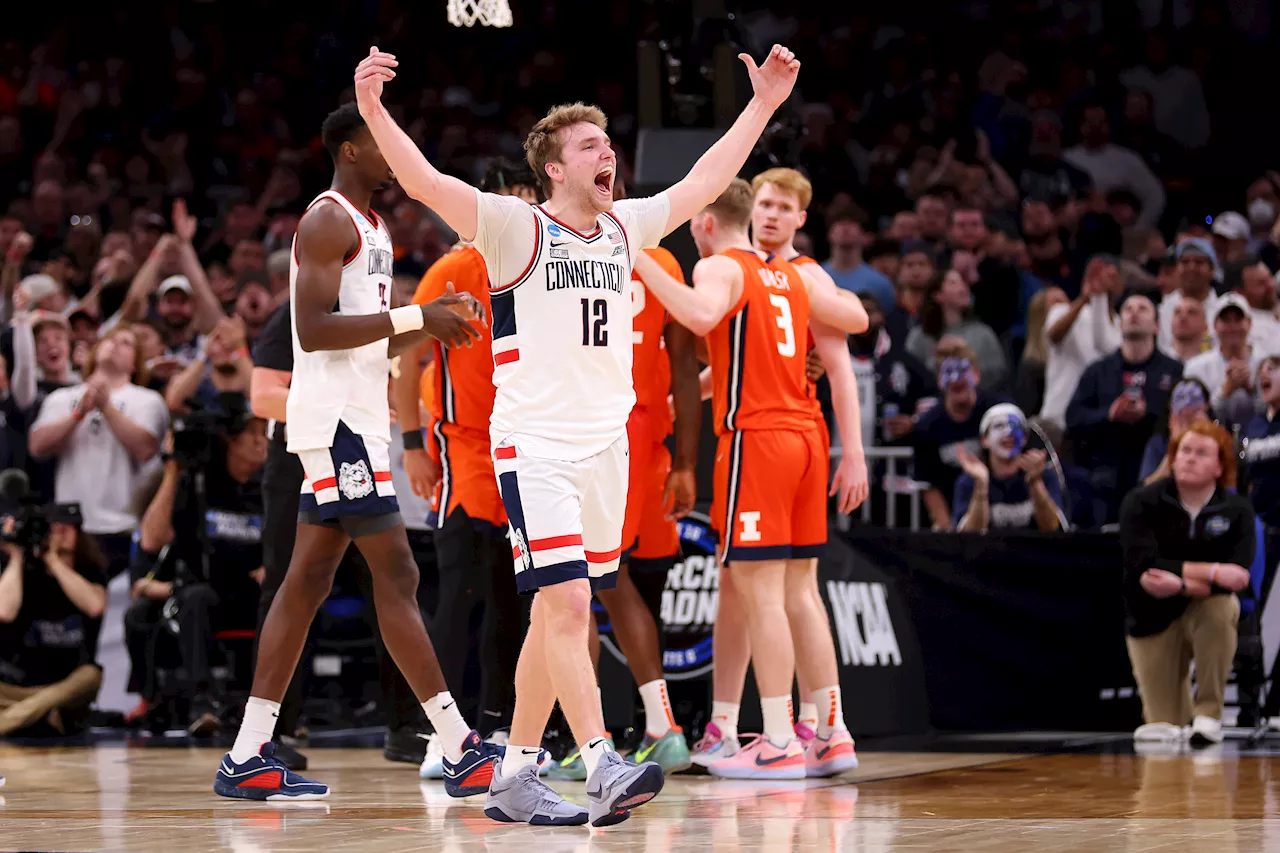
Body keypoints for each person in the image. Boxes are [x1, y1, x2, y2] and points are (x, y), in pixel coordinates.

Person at [355, 42, 800, 825]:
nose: (609, 153)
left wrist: (761, 105)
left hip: (611, 449)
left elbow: (702, 181)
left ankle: (514, 772)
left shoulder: (626, 226)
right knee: (564, 606)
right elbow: (424, 182)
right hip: (536, 447)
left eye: (609, 142)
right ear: (554, 168)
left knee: (557, 613)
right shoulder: (511, 228)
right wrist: (374, 112)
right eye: (590, 145)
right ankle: (600, 762)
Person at [213, 103, 492, 802]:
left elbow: (368, 335)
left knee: (304, 584)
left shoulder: (375, 228)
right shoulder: (328, 217)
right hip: (334, 423)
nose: (395, 152)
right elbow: (310, 330)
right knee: (396, 571)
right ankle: (457, 742)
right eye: (381, 140)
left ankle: (247, 752)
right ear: (347, 148)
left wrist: (432, 325)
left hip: (357, 421)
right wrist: (414, 315)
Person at [631, 179, 866, 780]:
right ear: (749, 213)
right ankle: (830, 731)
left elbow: (699, 312)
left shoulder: (720, 269)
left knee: (763, 595)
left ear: (707, 223)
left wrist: (632, 254)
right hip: (807, 438)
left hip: (757, 443)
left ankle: (781, 738)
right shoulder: (790, 277)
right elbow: (749, 358)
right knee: (796, 593)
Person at [550, 173, 703, 779]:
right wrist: (687, 460)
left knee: (580, 586)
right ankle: (658, 727)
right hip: (646, 435)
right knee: (610, 583)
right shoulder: (663, 258)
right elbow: (686, 371)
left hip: (592, 426)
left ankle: (596, 743)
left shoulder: (568, 246)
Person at [391, 160, 535, 776]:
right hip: (465, 448)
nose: (523, 208)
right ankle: (443, 737)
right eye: (514, 197)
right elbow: (404, 352)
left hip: (527, 446)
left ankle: (500, 731)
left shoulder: (545, 267)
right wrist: (414, 446)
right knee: (461, 594)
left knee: (512, 598)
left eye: (531, 197)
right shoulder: (454, 267)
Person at [126, 406, 268, 736]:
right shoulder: (199, 483)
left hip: (254, 591)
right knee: (192, 598)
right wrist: (174, 469)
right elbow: (152, 539)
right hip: (206, 594)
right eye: (252, 434)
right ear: (228, 441)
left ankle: (283, 712)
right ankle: (201, 703)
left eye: (264, 434)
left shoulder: (268, 486)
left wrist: (272, 566)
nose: (261, 442)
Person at [1119, 421, 1255, 745]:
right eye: (1184, 451)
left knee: (1222, 607)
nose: (1190, 459)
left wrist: (1180, 583)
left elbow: (1237, 578)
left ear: (1220, 466)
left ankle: (1209, 713)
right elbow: (1145, 569)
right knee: (1165, 727)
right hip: (1151, 617)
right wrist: (1213, 573)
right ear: (1173, 458)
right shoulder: (1142, 502)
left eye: (1201, 453)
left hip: (1204, 609)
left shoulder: (1237, 510)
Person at [28, 327, 169, 577]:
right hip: (70, 527)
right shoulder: (62, 398)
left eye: (125, 343)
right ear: (95, 353)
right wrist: (78, 414)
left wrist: (107, 408)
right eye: (109, 340)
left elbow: (145, 448)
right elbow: (37, 446)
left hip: (121, 525)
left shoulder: (147, 400)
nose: (114, 344)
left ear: (135, 364)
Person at [1066, 295, 1183, 527]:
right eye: (1128, 309)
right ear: (1120, 324)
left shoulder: (1175, 371)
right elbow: (1073, 419)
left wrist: (1147, 414)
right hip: (1104, 473)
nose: (1134, 312)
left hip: (1155, 475)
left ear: (1157, 326)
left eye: (1143, 308)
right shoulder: (1098, 371)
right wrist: (1109, 415)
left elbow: (1183, 421)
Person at [0, 514, 106, 736]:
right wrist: (17, 556)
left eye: (68, 526)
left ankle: (10, 720)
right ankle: (41, 714)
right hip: (19, 689)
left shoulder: (90, 572)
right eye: (53, 527)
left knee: (91, 675)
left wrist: (53, 560)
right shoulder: (21, 573)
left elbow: (95, 606)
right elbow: (4, 612)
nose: (59, 531)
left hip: (66, 687)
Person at [911, 340, 1003, 531]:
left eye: (963, 371)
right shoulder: (927, 426)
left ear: (976, 375)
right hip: (953, 510)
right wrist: (947, 529)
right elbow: (928, 484)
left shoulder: (998, 413)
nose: (955, 379)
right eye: (948, 373)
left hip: (997, 509)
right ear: (939, 380)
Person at [952, 403, 1066, 532]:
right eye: (999, 426)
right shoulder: (969, 481)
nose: (1008, 432)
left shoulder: (1044, 476)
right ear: (984, 439)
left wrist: (1036, 483)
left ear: (1024, 439)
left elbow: (1053, 529)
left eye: (1014, 426)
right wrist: (981, 486)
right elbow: (968, 537)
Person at [1039, 257, 1123, 431]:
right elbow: (1053, 336)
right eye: (1101, 276)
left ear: (1121, 284)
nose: (1107, 282)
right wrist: (1086, 298)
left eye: (1112, 276)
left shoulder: (1121, 324)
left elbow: (1108, 352)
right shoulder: (1062, 311)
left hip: (1094, 418)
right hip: (1057, 414)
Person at [906, 270, 1008, 392]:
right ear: (937, 295)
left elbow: (998, 374)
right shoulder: (920, 336)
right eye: (953, 283)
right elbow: (910, 374)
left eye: (963, 282)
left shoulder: (983, 333)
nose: (963, 287)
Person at [1184, 294, 1270, 428]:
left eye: (1238, 319)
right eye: (1226, 320)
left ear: (1249, 323)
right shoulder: (1196, 367)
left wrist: (1251, 389)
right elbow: (1192, 417)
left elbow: (1274, 414)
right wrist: (1225, 390)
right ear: (1215, 325)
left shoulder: (1267, 362)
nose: (1232, 327)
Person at [1139, 378, 1212, 485]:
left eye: (1194, 398)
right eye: (1181, 398)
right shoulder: (1159, 442)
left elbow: (1228, 488)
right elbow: (1146, 488)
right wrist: (1174, 446)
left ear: (1206, 405)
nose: (1187, 407)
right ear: (1171, 407)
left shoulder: (1218, 440)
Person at [1157, 240, 1223, 354]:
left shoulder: (1223, 310)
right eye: (1185, 262)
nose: (1191, 267)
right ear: (1176, 269)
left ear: (1212, 270)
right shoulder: (1162, 310)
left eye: (1199, 262)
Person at [1015, 287, 1067, 424]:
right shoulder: (1032, 367)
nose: (1066, 307)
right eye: (1058, 303)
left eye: (1066, 300)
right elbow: (1028, 416)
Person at [821, 213, 894, 310]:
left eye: (851, 224)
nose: (845, 229)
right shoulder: (815, 276)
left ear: (864, 236)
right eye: (840, 223)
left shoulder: (880, 282)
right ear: (830, 234)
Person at [1235, 258, 1280, 345]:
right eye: (1261, 283)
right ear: (1240, 292)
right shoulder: (1244, 328)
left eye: (1269, 277)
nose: (1270, 286)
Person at [1163, 297, 1209, 363]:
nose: (1183, 316)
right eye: (1177, 312)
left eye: (1191, 312)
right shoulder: (1155, 363)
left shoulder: (1212, 365)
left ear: (1205, 326)